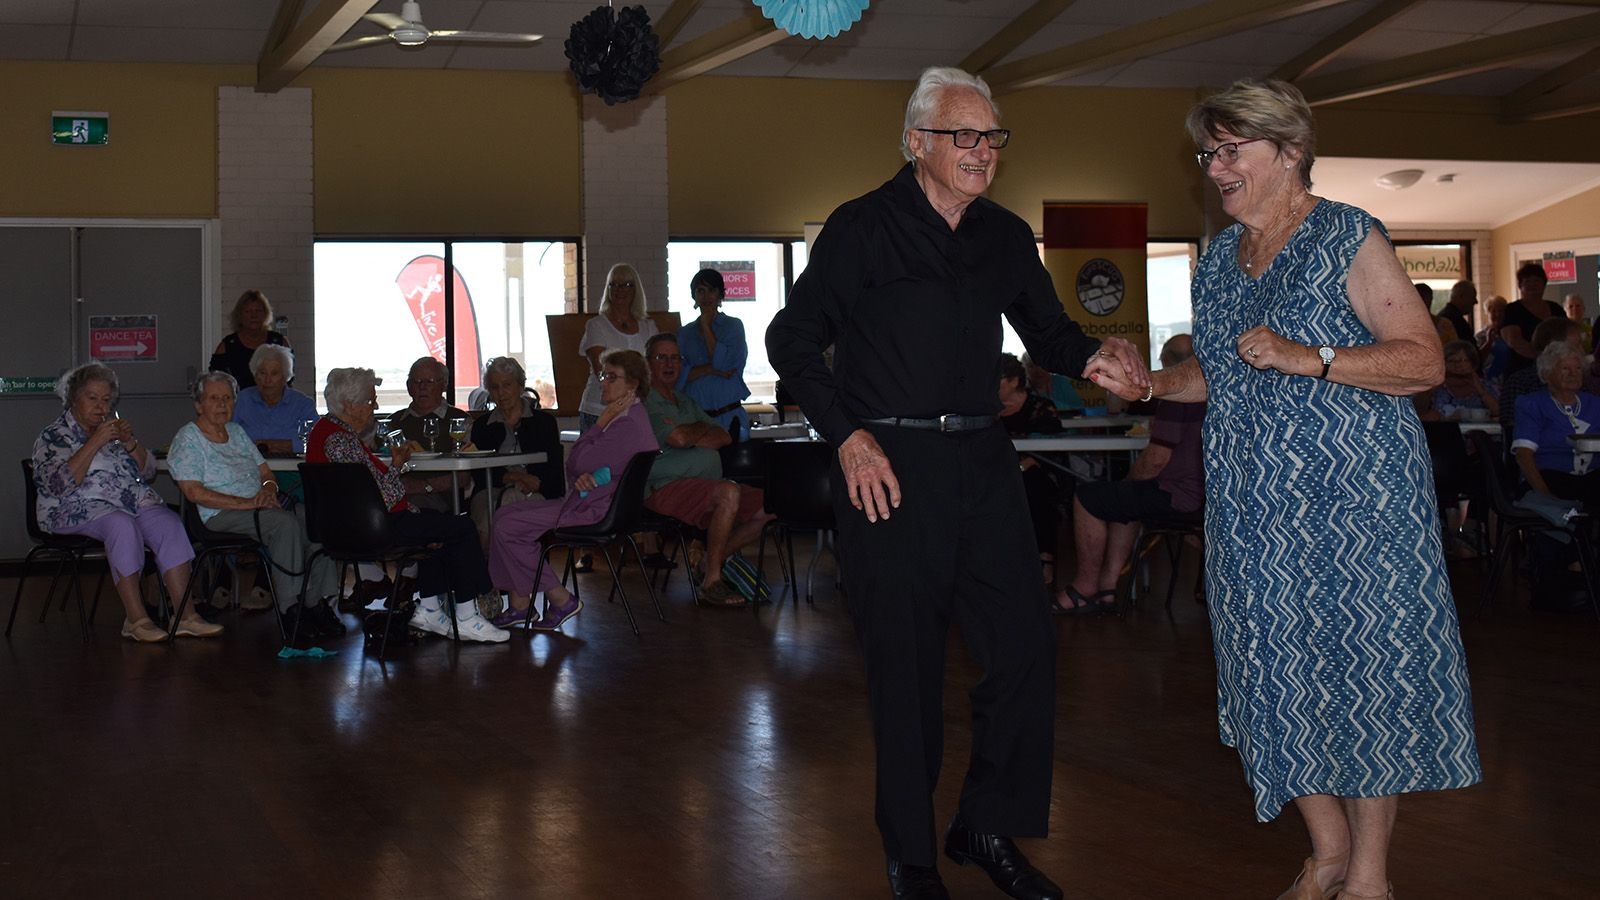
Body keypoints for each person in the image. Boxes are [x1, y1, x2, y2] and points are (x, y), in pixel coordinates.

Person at [1090, 78, 1480, 900]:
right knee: (1270, 670)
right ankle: (1326, 848)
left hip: (1359, 504)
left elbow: (1421, 360)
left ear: (1290, 151)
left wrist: (1315, 356)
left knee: (1366, 674)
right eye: (1209, 153)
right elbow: (1219, 375)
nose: (1216, 168)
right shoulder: (1222, 261)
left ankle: (1368, 876)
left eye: (1233, 151)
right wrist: (1151, 387)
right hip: (1255, 506)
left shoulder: (1346, 235)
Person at [767, 66, 1149, 900]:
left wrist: (1093, 357)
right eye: (965, 136)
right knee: (904, 669)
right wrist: (850, 439)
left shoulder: (1004, 236)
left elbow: (1045, 329)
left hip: (983, 462)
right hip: (889, 470)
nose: (983, 151)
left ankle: (984, 826)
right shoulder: (862, 229)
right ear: (916, 143)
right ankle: (910, 855)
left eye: (993, 137)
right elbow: (791, 340)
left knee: (1024, 647)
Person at [306, 367, 507, 643]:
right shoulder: (341, 441)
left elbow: (368, 490)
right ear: (349, 405)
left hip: (350, 526)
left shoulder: (325, 433)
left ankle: (430, 610)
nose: (374, 406)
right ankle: (467, 615)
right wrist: (398, 470)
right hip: (372, 529)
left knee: (435, 523)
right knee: (461, 528)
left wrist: (396, 469)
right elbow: (381, 497)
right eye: (369, 401)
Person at [32, 363, 221, 643]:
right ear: (74, 399)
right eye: (92, 398)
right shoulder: (53, 436)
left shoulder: (112, 431)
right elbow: (58, 486)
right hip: (71, 508)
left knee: (168, 523)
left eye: (106, 400)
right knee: (121, 525)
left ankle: (185, 615)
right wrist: (94, 441)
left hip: (128, 502)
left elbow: (148, 472)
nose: (101, 406)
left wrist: (130, 442)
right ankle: (136, 619)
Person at [485, 350, 659, 629]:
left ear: (633, 384)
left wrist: (600, 422)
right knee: (505, 516)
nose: (603, 382)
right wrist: (586, 474)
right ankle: (520, 604)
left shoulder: (626, 423)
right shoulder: (631, 417)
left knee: (507, 525)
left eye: (612, 377)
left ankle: (560, 598)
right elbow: (584, 467)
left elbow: (577, 460)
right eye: (603, 376)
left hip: (595, 510)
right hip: (595, 501)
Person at [166, 372, 342, 642]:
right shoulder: (188, 439)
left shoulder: (236, 432)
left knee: (314, 520)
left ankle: (315, 603)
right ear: (198, 405)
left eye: (227, 398)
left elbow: (266, 473)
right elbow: (194, 493)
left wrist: (268, 491)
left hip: (258, 506)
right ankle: (290, 609)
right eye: (214, 399)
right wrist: (249, 503)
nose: (223, 404)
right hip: (219, 515)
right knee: (284, 524)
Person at [1058, 335, 1204, 615]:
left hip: (1179, 496)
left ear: (1169, 364)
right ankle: (1108, 586)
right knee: (1126, 500)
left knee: (1089, 498)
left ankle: (1086, 586)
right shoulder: (1212, 392)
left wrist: (1127, 483)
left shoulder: (1177, 398)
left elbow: (1155, 463)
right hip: (1206, 497)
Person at [643, 333, 775, 606]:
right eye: (661, 358)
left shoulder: (685, 401)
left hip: (704, 487)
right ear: (648, 365)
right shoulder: (645, 402)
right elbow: (677, 438)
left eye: (675, 358)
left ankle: (708, 561)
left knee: (770, 506)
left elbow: (724, 436)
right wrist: (700, 431)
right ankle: (712, 582)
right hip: (664, 487)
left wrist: (693, 433)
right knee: (728, 492)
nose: (670, 364)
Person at [468, 356, 565, 547]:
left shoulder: (544, 423)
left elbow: (554, 470)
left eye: (507, 385)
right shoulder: (482, 426)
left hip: (535, 489)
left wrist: (533, 481)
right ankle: (493, 568)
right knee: (488, 508)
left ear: (520, 387)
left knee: (510, 503)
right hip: (492, 488)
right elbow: (479, 473)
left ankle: (507, 568)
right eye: (495, 387)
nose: (501, 393)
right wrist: (512, 477)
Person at [997, 352, 1063, 586]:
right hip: (997, 474)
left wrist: (1021, 465)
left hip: (1037, 472)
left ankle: (1045, 557)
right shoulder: (985, 414)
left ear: (1014, 381)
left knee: (1034, 486)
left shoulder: (1041, 407)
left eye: (997, 379)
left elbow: (1052, 449)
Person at [1512, 341, 1600, 508]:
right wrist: (1546, 497)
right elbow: (1523, 455)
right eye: (1565, 368)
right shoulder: (1532, 404)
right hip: (1551, 479)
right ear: (1546, 375)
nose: (1573, 374)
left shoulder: (1596, 404)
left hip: (1591, 480)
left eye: (1578, 368)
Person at [579, 263, 659, 434]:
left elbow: (654, 368)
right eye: (613, 284)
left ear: (636, 290)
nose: (619, 289)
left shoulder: (648, 327)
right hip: (599, 411)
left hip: (636, 410)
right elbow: (600, 369)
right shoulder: (596, 325)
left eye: (626, 285)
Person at [385, 356, 471, 513]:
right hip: (394, 495)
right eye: (417, 382)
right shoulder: (393, 422)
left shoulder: (460, 421)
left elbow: (465, 475)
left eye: (429, 381)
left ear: (444, 385)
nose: (422, 387)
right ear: (408, 387)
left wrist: (425, 486)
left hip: (445, 498)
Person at [677, 268, 752, 439]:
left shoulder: (733, 326)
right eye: (700, 291)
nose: (706, 296)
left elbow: (723, 365)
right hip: (695, 419)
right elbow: (679, 376)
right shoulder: (684, 333)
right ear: (694, 295)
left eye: (712, 290)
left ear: (720, 295)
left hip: (729, 416)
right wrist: (709, 370)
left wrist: (705, 325)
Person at [232, 344, 319, 456]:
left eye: (274, 374)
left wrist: (274, 445)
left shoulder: (303, 405)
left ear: (285, 376)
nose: (267, 380)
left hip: (292, 470)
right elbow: (225, 437)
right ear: (255, 375)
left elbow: (316, 442)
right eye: (262, 373)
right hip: (248, 469)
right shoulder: (242, 400)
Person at [210, 289, 289, 391]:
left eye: (258, 311)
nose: (253, 316)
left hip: (273, 403)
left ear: (265, 314)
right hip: (238, 404)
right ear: (240, 315)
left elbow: (289, 377)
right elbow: (216, 380)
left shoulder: (279, 342)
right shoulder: (228, 345)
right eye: (248, 311)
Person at [1414, 340, 1498, 422]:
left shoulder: (1486, 385)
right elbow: (1417, 411)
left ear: (1472, 363)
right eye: (1451, 361)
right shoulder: (1435, 387)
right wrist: (1432, 387)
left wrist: (1480, 389)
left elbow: (1497, 412)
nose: (1458, 365)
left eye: (1464, 360)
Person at [1500, 262, 1560, 377]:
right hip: (1522, 370)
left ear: (1544, 284)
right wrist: (1543, 358)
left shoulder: (1555, 308)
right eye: (1527, 281)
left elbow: (1567, 335)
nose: (1532, 285)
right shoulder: (1512, 309)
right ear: (1520, 285)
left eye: (1537, 280)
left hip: (1554, 369)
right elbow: (1514, 341)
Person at [1477, 294, 1509, 376]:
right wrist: (1489, 342)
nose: (1497, 314)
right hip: (1488, 379)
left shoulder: (1511, 333)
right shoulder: (1480, 336)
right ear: (1487, 313)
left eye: (1501, 311)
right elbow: (1476, 360)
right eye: (1493, 311)